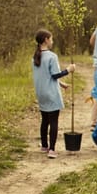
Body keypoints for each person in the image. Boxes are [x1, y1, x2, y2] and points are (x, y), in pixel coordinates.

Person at [32, 29, 75, 159]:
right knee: (53, 121)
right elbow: (55, 74)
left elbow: (46, 76)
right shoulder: (51, 56)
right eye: (51, 38)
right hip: (51, 94)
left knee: (45, 120)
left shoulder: (35, 57)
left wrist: (61, 84)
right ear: (46, 39)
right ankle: (52, 149)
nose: (52, 41)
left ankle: (44, 146)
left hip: (41, 93)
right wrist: (69, 69)